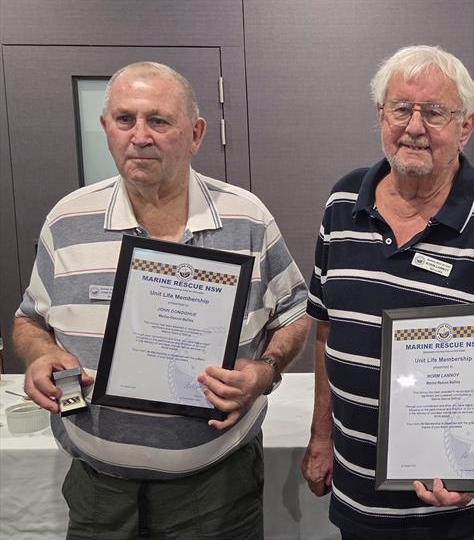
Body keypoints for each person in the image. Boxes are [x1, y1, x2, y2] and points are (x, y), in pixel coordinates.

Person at [14, 62, 309, 539]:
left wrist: (265, 372)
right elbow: (30, 320)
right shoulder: (66, 220)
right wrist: (41, 354)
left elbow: (294, 314)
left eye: (158, 120)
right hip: (98, 493)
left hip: (215, 491)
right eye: (124, 119)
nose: (140, 136)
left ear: (195, 134)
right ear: (106, 127)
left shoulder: (246, 218)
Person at [300, 45, 474, 540]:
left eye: (434, 112)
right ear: (380, 115)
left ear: (466, 126)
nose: (414, 127)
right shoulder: (343, 201)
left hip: (460, 511)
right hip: (360, 498)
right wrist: (321, 435)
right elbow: (326, 329)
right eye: (401, 109)